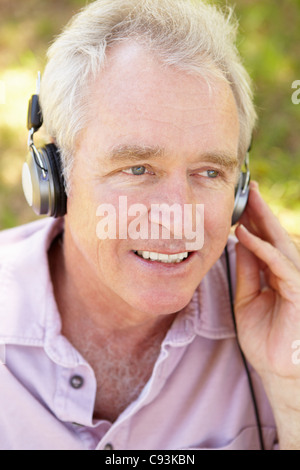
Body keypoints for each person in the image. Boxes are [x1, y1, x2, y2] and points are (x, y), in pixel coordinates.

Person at [0, 0, 300, 451]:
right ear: (56, 177)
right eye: (138, 168)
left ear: (240, 194)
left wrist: (290, 388)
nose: (178, 214)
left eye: (210, 172)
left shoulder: (284, 324)